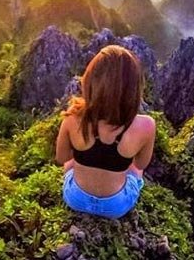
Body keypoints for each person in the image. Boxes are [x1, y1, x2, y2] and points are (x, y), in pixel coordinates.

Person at [55, 45, 157, 219]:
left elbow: (62, 158)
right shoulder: (146, 125)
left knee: (71, 162)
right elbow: (140, 164)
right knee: (135, 171)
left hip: (76, 199)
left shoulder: (73, 118)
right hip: (116, 206)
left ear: (90, 81)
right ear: (134, 89)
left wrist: (85, 150)